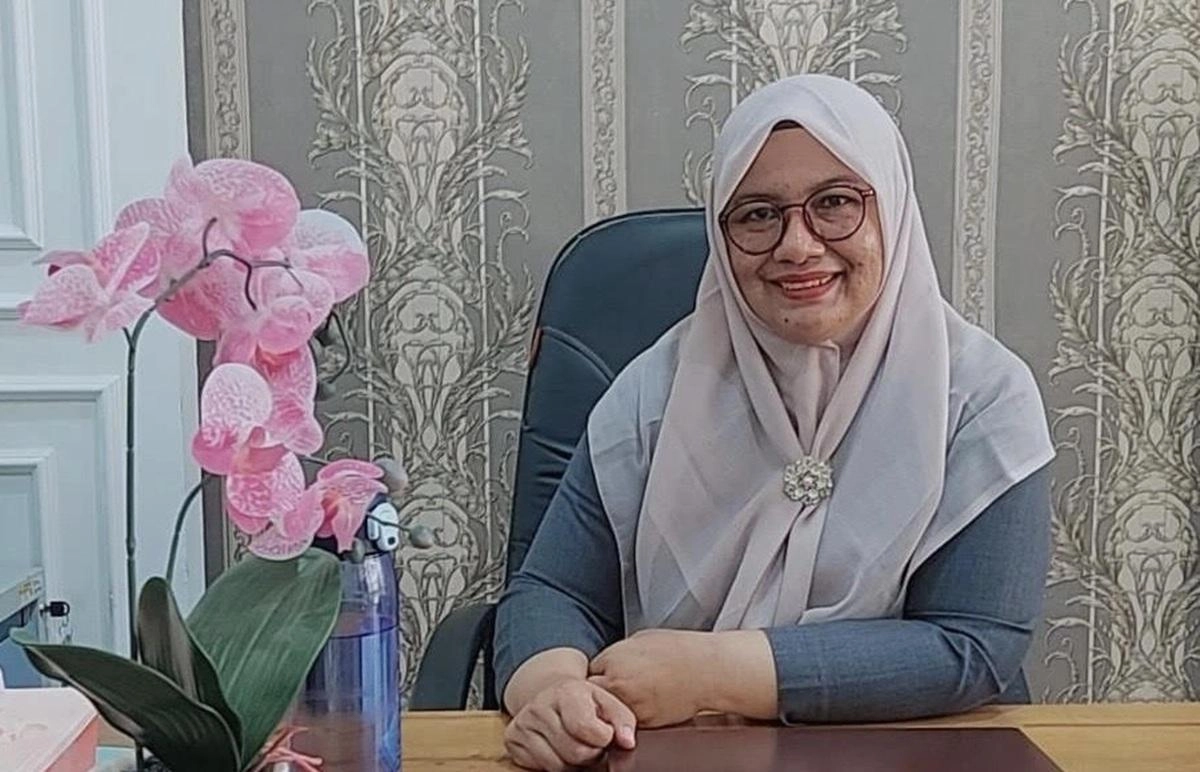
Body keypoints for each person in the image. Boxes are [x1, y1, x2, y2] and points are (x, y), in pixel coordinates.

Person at [492, 74, 1055, 772]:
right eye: (758, 214)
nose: (797, 244)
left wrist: (715, 673)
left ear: (892, 208)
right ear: (721, 235)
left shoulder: (980, 397)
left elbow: (972, 645)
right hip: (676, 757)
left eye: (836, 203)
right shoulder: (653, 392)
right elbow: (553, 590)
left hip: (913, 752)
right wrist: (552, 691)